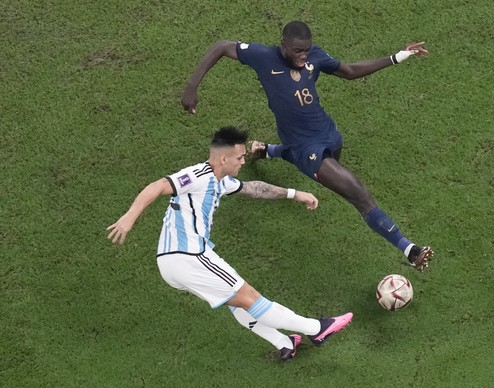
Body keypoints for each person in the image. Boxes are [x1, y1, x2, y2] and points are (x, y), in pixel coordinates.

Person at [181, 21, 433, 271]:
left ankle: (268, 150)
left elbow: (349, 70)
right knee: (357, 193)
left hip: (329, 134)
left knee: (336, 170)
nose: (303, 56)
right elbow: (222, 46)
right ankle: (410, 249)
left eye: (306, 50)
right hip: (304, 147)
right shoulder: (263, 57)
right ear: (283, 45)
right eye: (297, 51)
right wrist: (192, 87)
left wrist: (398, 56)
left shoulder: (315, 56)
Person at [107, 126, 352, 361]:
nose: (243, 161)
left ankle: (285, 343)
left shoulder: (222, 181)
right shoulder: (198, 174)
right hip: (188, 256)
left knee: (235, 303)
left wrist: (294, 194)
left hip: (177, 261)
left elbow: (255, 189)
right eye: (239, 157)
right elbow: (159, 185)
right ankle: (316, 329)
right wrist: (128, 219)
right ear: (223, 159)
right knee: (250, 297)